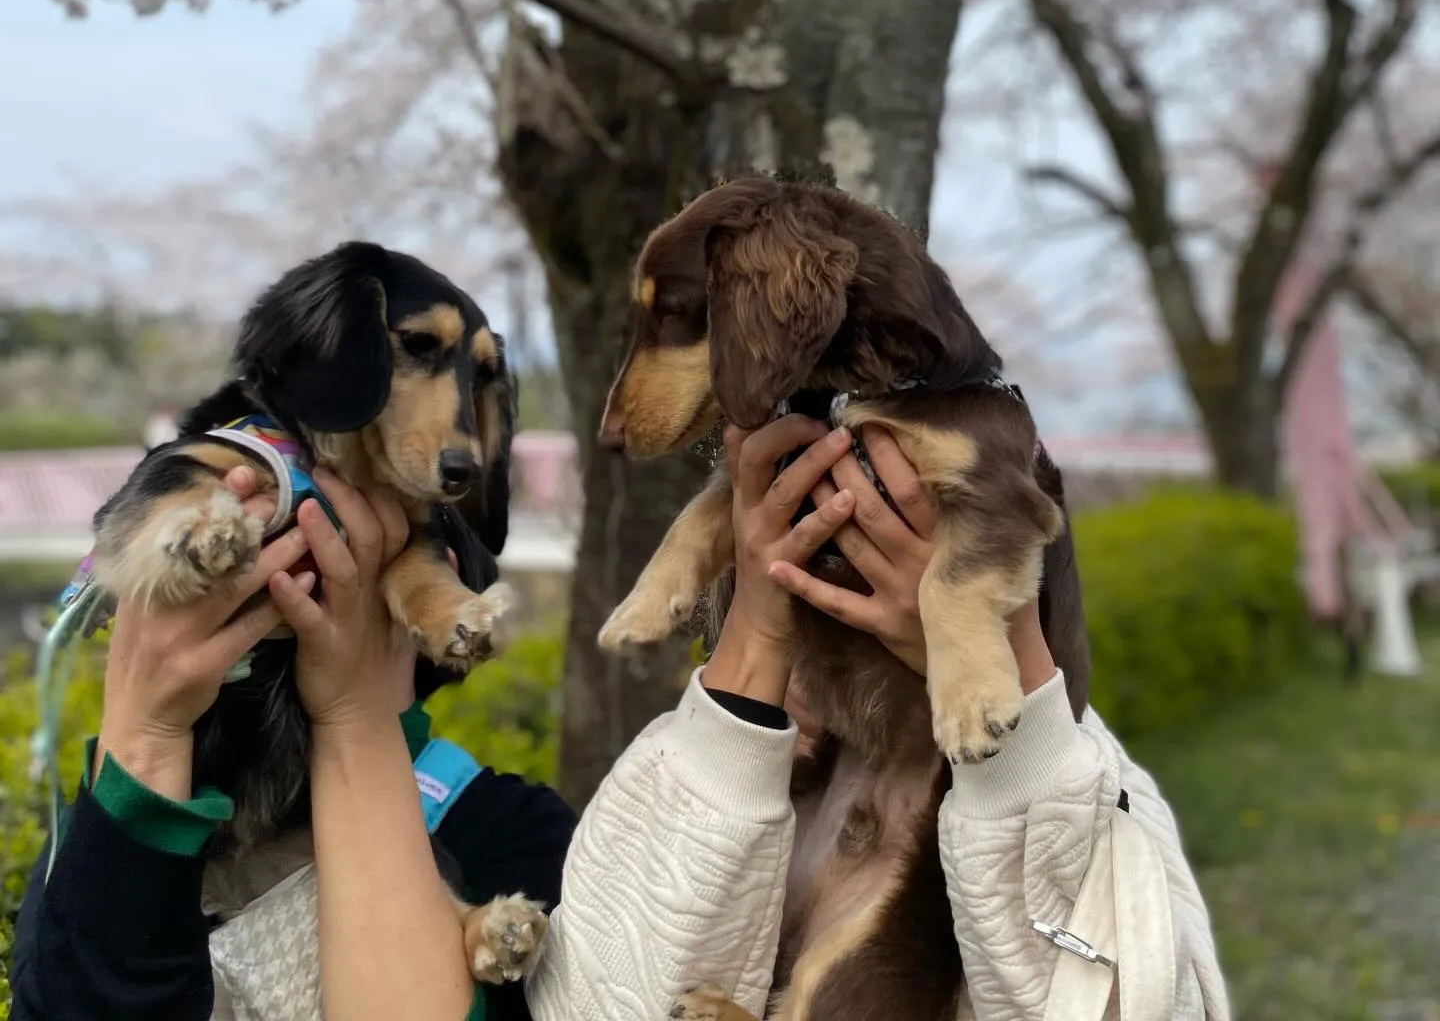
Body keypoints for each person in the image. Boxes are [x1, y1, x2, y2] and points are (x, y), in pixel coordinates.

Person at [14, 425, 1227, 1020]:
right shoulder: (129, 836)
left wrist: (993, 664)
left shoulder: (513, 844)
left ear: (438, 597)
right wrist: (145, 735)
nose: (286, 574)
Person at [522, 418, 1230, 1021]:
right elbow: (595, 997)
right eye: (800, 596)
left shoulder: (1088, 786)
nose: (837, 645)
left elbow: (1140, 995)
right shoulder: (691, 771)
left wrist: (994, 668)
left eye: (870, 597)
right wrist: (748, 673)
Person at [9, 465, 576, 1021]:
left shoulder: (504, 829)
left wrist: (353, 715)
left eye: (329, 560)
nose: (275, 592)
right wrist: (145, 734)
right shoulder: (103, 836)